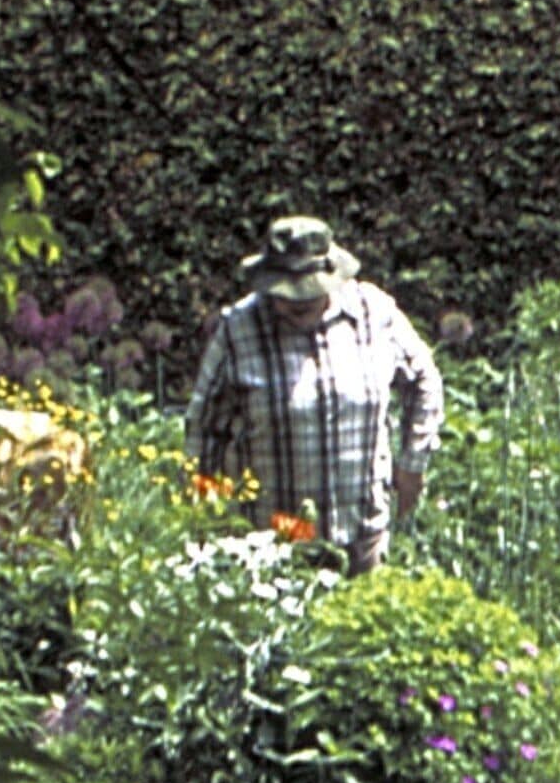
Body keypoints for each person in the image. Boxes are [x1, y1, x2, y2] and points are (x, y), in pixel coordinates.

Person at [185, 213, 444, 572]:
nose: (297, 301)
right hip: (277, 541)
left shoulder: (373, 313)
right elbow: (204, 427)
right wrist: (205, 513)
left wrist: (412, 466)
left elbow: (424, 381)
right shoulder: (240, 329)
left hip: (362, 533)